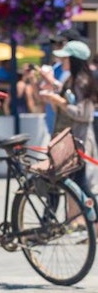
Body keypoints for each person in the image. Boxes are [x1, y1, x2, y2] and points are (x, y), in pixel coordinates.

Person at [40, 40, 98, 197]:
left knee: (79, 185)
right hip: (69, 141)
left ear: (74, 60)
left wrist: (60, 101)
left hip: (78, 141)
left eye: (65, 58)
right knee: (62, 181)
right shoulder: (71, 79)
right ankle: (49, 218)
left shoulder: (82, 81)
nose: (62, 61)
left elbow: (84, 115)